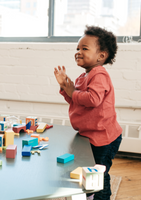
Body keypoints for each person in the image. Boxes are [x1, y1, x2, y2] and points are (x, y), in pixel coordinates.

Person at [54, 25, 122, 200]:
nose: (78, 51)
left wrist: (72, 92)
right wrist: (65, 88)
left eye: (84, 48)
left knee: (99, 173)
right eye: (77, 48)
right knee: (87, 168)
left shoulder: (99, 74)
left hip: (104, 138)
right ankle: (88, 193)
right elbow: (76, 101)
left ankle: (101, 197)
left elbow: (93, 100)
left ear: (101, 56)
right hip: (89, 135)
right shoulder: (82, 77)